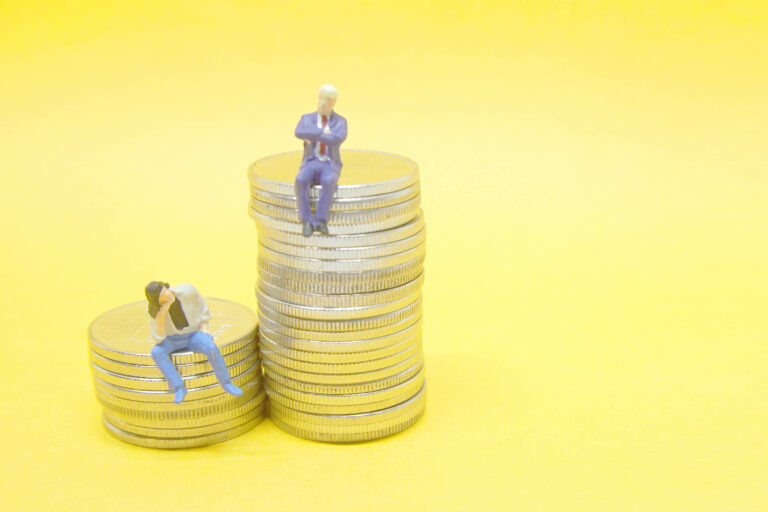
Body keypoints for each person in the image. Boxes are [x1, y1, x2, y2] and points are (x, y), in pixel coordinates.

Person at [144, 281, 243, 404]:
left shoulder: (187, 292)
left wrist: (204, 326)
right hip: (171, 339)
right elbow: (158, 338)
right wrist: (163, 312)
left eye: (165, 290)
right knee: (157, 352)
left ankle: (226, 382)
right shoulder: (154, 311)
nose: (166, 294)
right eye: (161, 296)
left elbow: (201, 307)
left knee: (211, 347)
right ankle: (178, 387)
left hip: (192, 335)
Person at [294, 84, 348, 236]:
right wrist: (323, 132)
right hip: (311, 161)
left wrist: (312, 134)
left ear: (333, 103)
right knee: (300, 180)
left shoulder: (340, 121)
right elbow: (299, 132)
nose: (323, 104)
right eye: (321, 99)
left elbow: (337, 138)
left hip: (329, 163)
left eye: (328, 101)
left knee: (329, 180)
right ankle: (306, 220)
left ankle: (320, 220)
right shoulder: (307, 118)